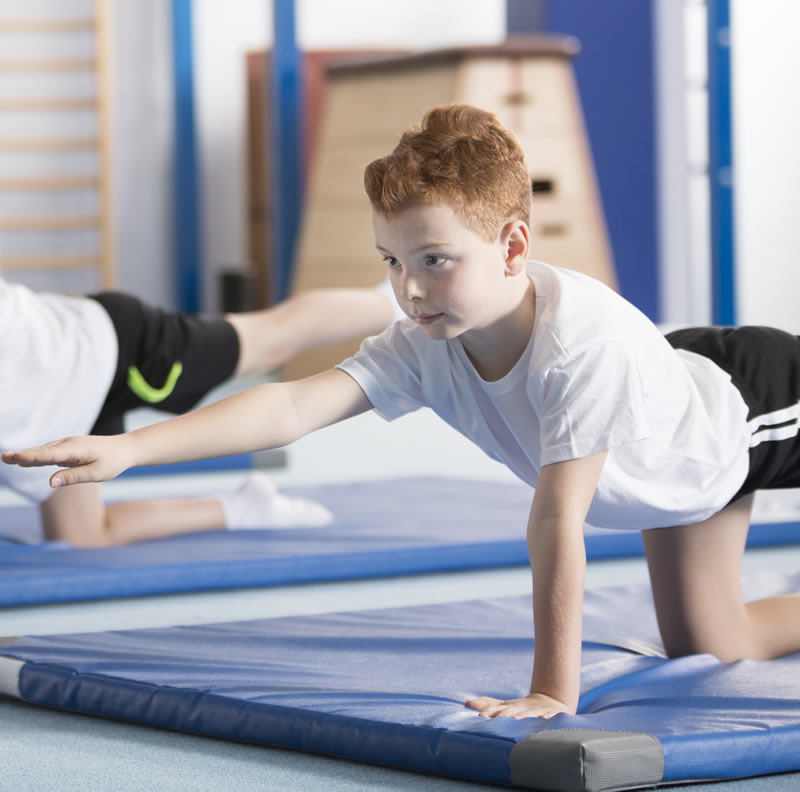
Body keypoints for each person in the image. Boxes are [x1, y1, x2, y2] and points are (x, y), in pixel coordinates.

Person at [4, 104, 800, 720]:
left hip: (754, 403)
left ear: (513, 248)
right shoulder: (428, 343)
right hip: (685, 469)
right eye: (392, 261)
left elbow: (559, 521)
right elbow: (292, 405)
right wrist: (132, 450)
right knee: (713, 642)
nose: (410, 289)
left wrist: (552, 693)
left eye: (435, 261)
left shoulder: (578, 350)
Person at [0, 275, 402, 546]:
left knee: (268, 340)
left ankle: (393, 301)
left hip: (108, 349)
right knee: (81, 539)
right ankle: (242, 508)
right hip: (60, 406)